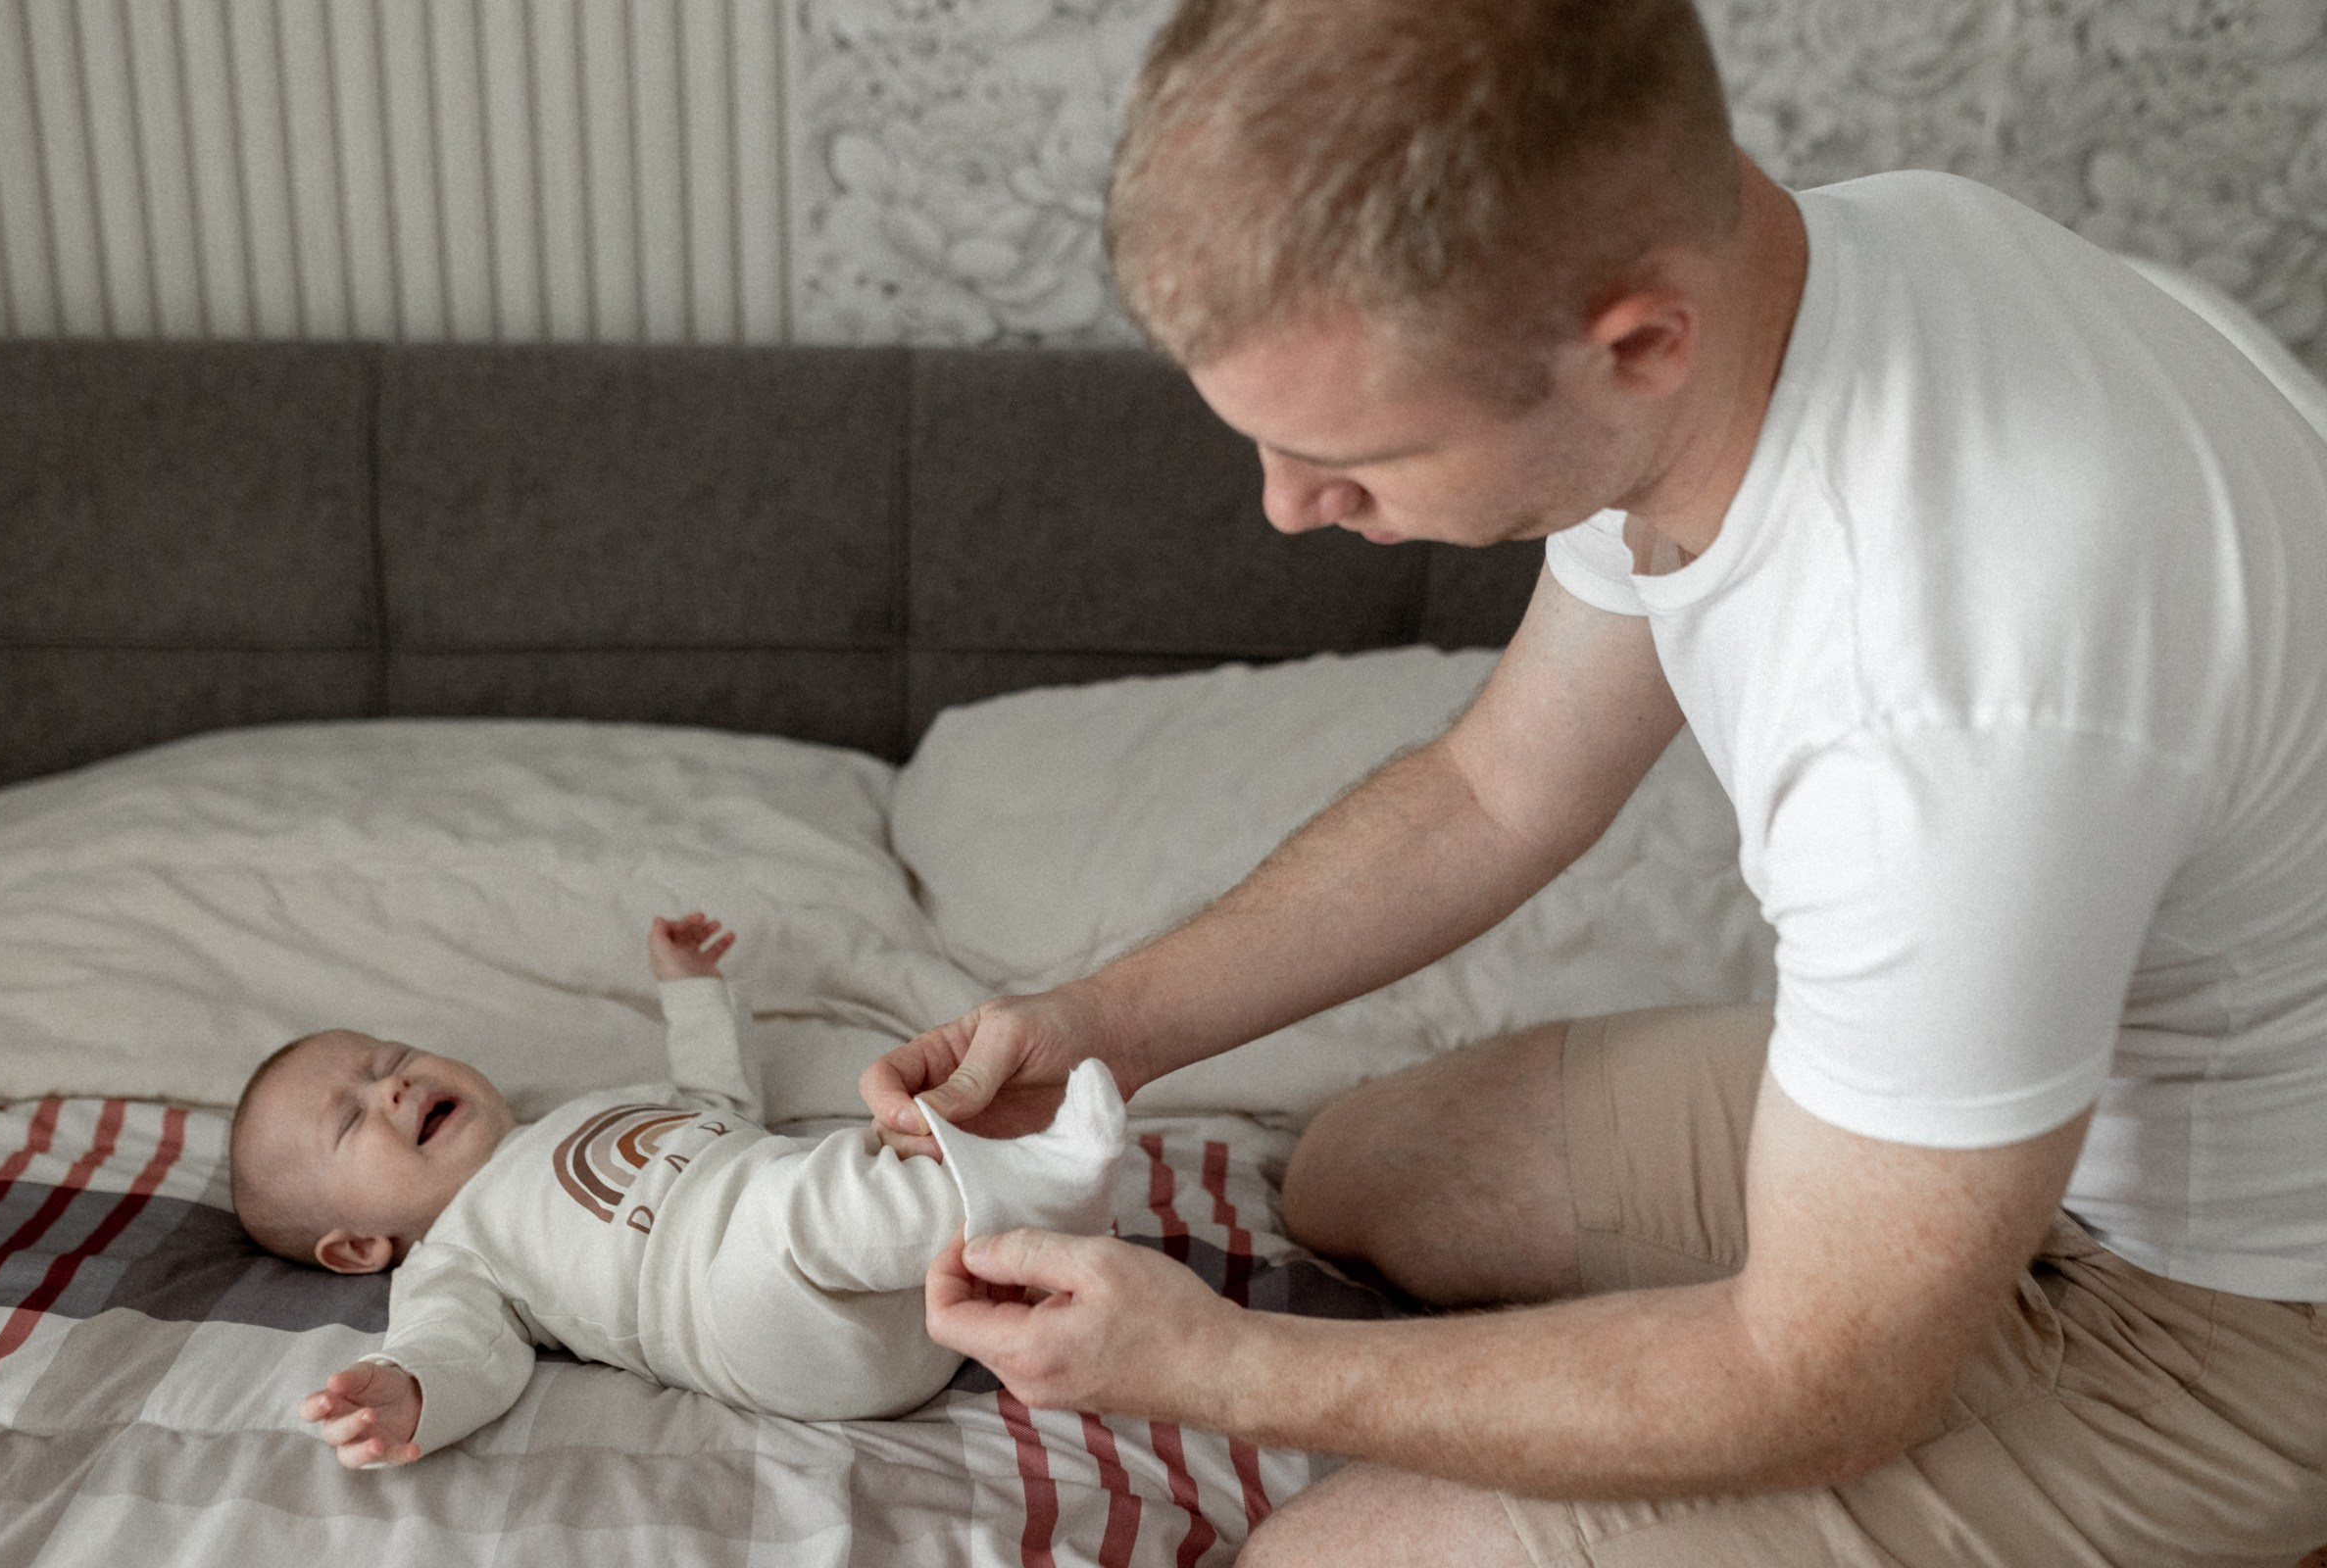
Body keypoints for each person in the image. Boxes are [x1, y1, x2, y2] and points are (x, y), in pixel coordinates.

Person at [859, 0, 2327, 1562]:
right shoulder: (1797, 291)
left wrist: (1218, 1369)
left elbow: (1818, 1381)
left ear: (1635, 345)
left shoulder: (1942, 704)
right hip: (2058, 1109)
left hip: (2231, 1324)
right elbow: (1499, 790)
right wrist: (1108, 1024)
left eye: (1360, 456)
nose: (1288, 507)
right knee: (1362, 1174)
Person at [229, 912, 1125, 1468]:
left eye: (389, 1060)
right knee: (800, 1205)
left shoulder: (588, 1108)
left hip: (905, 1298)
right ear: (359, 1247)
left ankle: (1024, 1241)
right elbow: (461, 1349)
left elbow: (715, 1098)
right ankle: (1035, 1188)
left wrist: (692, 992)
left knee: (867, 1153)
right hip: (747, 1318)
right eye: (350, 1120)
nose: (390, 1087)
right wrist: (409, 1390)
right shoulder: (456, 1251)